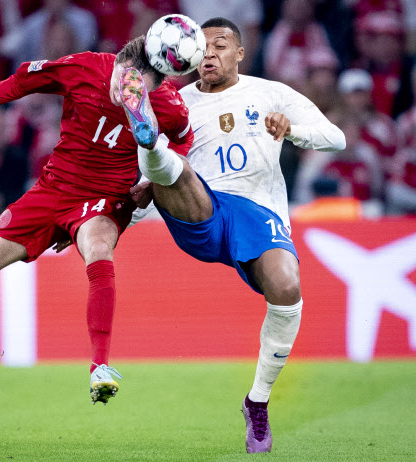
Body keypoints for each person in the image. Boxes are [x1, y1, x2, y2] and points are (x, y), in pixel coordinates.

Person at [0, 37, 194, 406]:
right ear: (116, 64)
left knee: (97, 249)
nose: (124, 95)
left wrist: (152, 184)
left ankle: (100, 367)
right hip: (53, 189)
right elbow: (20, 82)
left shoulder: (170, 105)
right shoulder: (84, 67)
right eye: (122, 84)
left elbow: (184, 142)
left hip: (106, 197)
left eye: (136, 94)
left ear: (154, 86)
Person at [122, 17, 345, 453]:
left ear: (239, 53)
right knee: (166, 160)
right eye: (201, 47)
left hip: (258, 210)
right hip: (202, 208)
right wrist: (123, 217)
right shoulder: (176, 100)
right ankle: (149, 147)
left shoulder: (269, 93)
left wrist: (291, 130)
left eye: (220, 45)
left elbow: (334, 137)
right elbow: (138, 186)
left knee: (287, 286)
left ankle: (257, 403)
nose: (209, 53)